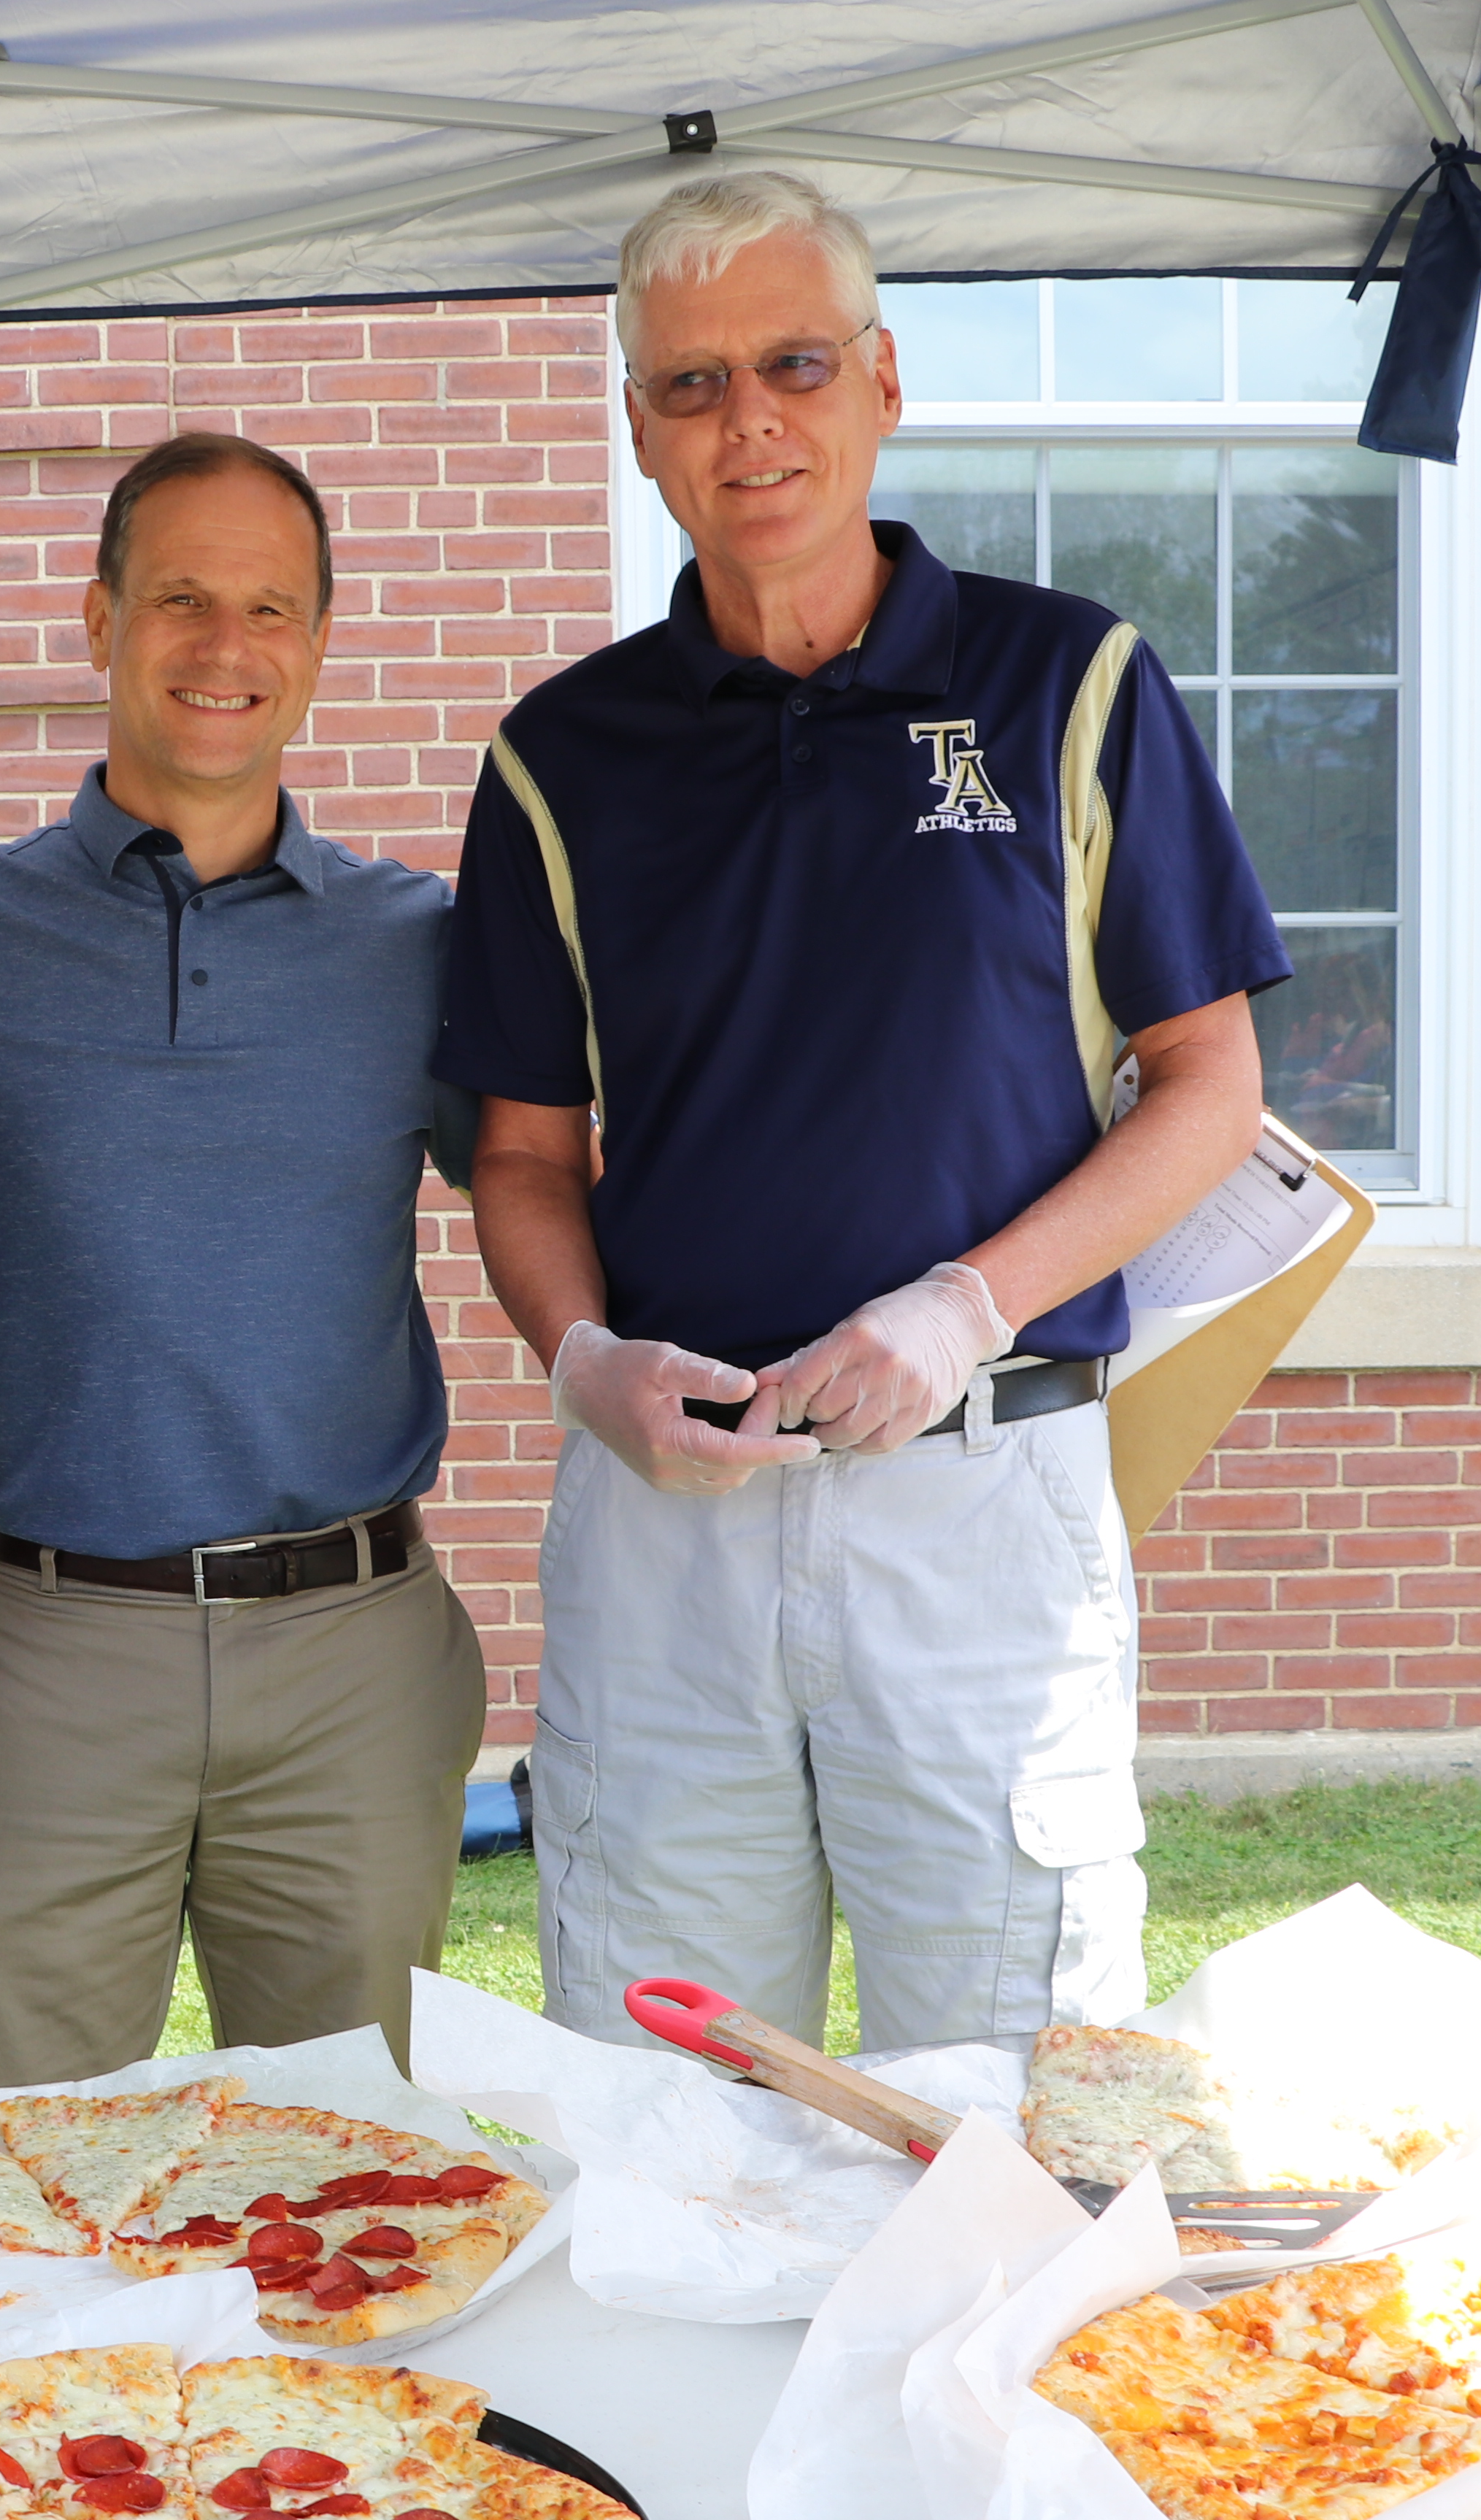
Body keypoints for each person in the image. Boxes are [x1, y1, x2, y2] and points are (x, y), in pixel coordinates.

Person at [439, 174, 1285, 2058]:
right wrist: (584, 1367)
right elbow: (519, 1155)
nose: (751, 421)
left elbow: (1211, 1082)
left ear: (884, 383)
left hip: (983, 1508)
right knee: (670, 2098)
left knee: (1002, 2098)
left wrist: (963, 1307)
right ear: (640, 429)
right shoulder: (560, 760)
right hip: (673, 1522)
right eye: (691, 385)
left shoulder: (1071, 686)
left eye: (796, 365)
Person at [0, 432, 487, 2084]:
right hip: (56, 1651)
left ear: (319, 642)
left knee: (359, 2188)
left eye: (272, 608)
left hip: (357, 1651)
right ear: (97, 619)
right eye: (182, 600)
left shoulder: (418, 947)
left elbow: (572, 1194)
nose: (227, 649)